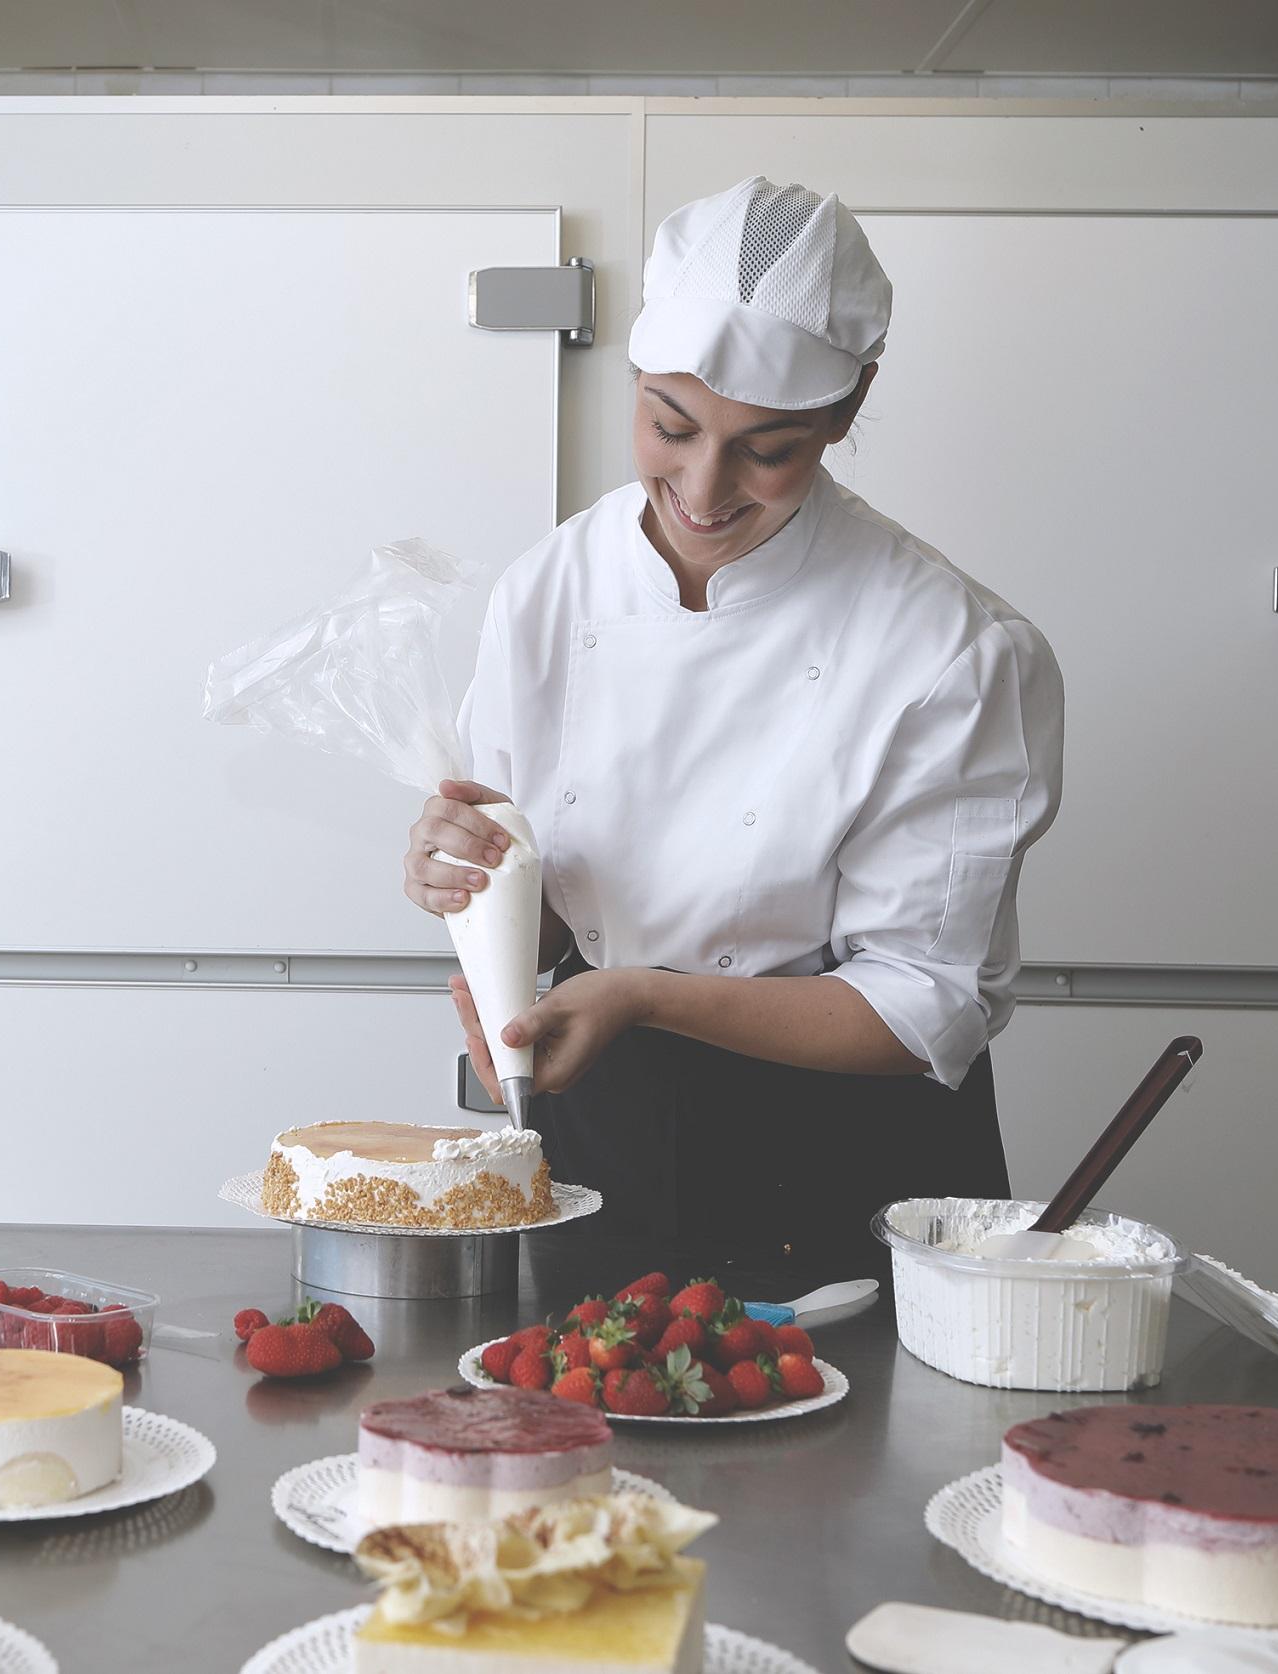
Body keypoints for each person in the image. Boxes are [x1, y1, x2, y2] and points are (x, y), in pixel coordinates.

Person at [404, 177, 1063, 1279]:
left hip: (848, 1153)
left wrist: (643, 994)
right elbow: (545, 912)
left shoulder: (951, 646)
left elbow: (923, 1007)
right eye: (670, 426)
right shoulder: (552, 588)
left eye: (769, 449)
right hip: (596, 1125)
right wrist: (461, 872)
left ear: (847, 415)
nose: (703, 487)